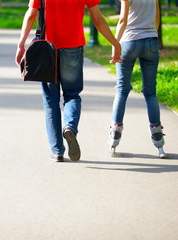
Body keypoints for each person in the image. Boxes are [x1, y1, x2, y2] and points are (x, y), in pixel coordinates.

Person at [15, 0, 122, 162]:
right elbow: (98, 19)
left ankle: (57, 150)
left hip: (47, 48)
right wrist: (115, 43)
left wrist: (21, 44)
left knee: (51, 100)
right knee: (72, 94)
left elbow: (31, 15)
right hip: (73, 46)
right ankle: (70, 127)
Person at [108, 0, 166, 158]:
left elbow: (123, 20)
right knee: (150, 93)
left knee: (122, 90)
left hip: (129, 41)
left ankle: (114, 136)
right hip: (151, 42)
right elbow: (157, 20)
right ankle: (159, 142)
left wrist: (115, 45)